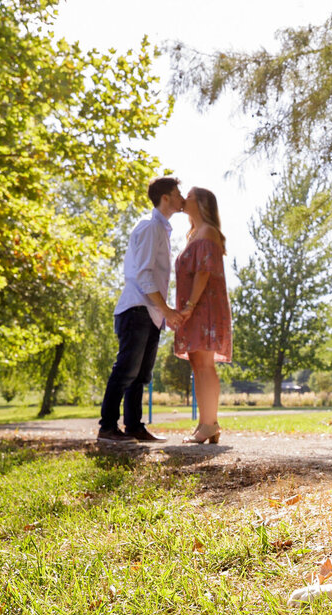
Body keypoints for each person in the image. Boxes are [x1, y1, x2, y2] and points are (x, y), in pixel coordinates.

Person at [97, 176, 186, 442]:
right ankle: (107, 428)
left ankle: (134, 427)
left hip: (149, 313)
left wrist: (162, 313)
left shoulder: (162, 229)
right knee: (126, 370)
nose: (183, 199)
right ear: (166, 198)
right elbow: (145, 275)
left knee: (141, 375)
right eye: (178, 193)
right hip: (137, 308)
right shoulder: (150, 227)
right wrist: (167, 310)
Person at [173, 186, 232, 444]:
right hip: (196, 307)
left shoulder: (207, 232)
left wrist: (189, 306)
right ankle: (207, 423)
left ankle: (209, 424)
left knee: (205, 365)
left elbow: (204, 272)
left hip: (203, 307)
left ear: (202, 204)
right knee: (198, 365)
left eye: (190, 196)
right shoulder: (195, 234)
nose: (185, 199)